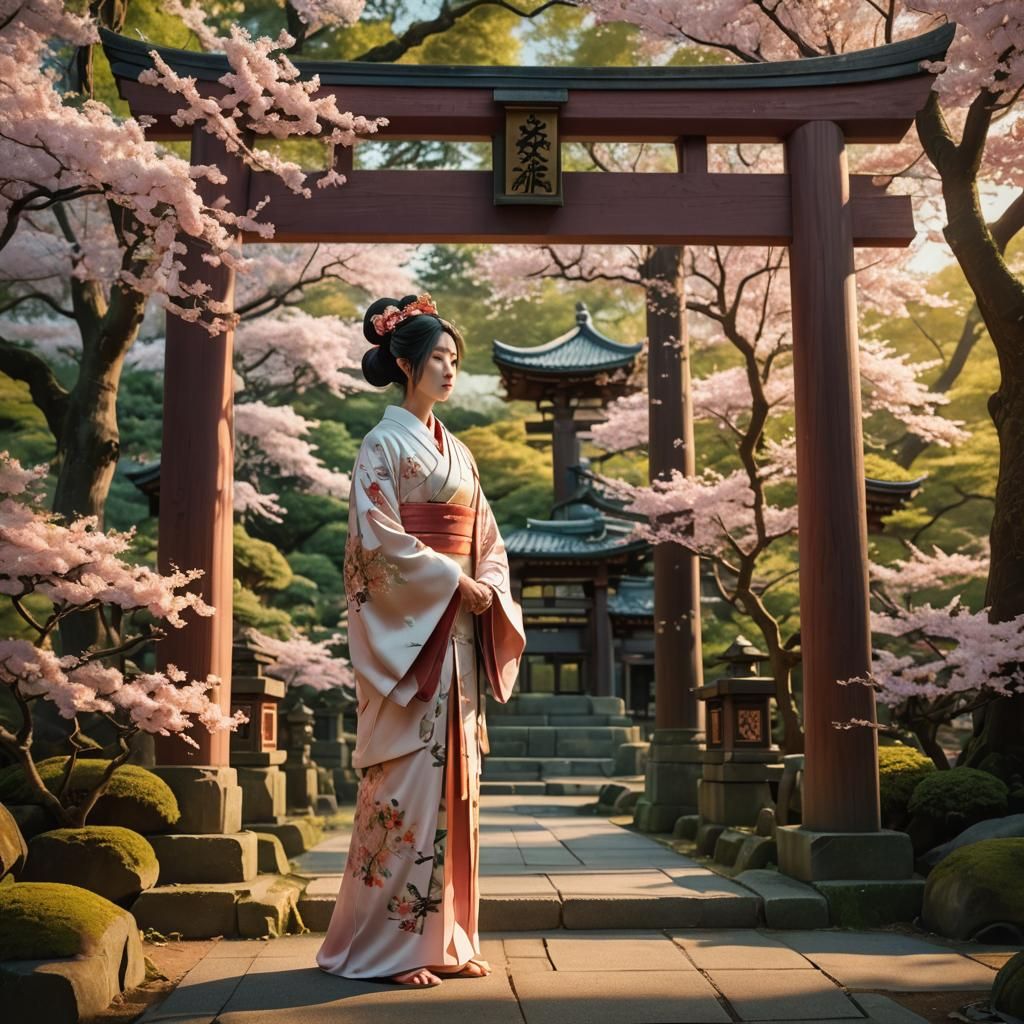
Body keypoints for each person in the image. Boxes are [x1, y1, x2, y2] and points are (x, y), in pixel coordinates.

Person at [316, 293, 526, 988]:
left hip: (457, 638)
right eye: (438, 357)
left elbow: (486, 539)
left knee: (455, 796)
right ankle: (389, 950)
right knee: (404, 795)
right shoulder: (381, 445)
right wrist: (449, 581)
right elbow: (376, 542)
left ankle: (448, 940)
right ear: (405, 363)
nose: (449, 369)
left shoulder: (457, 451)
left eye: (455, 360)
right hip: (414, 640)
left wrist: (486, 587)